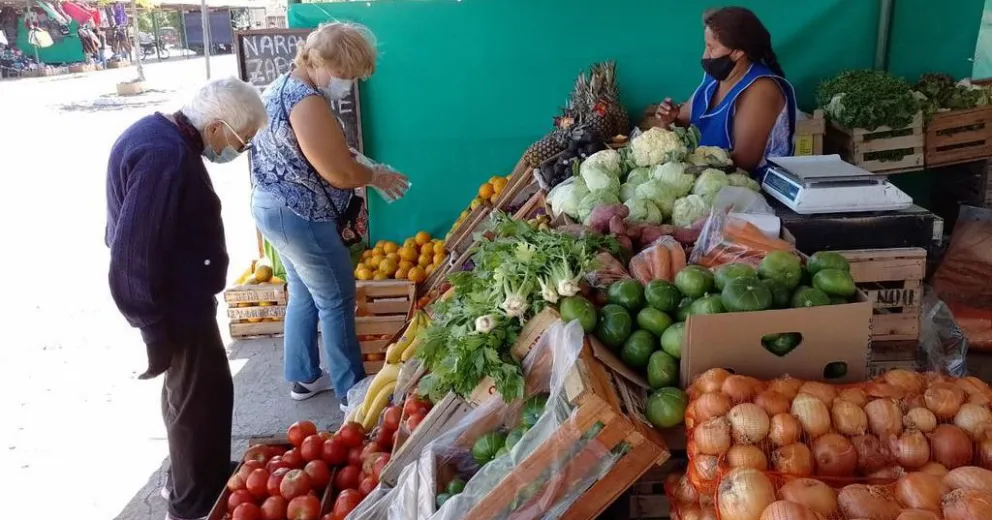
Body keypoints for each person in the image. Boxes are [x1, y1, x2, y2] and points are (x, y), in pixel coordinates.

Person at [105, 77, 267, 520]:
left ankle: (204, 477)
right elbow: (132, 252)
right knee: (195, 403)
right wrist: (151, 328)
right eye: (243, 138)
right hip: (176, 304)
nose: (241, 148)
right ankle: (192, 502)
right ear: (216, 127)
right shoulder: (166, 158)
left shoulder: (161, 136)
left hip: (186, 297)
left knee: (205, 394)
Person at [250, 22, 409, 404]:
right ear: (320, 61)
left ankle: (304, 377)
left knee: (304, 292)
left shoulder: (280, 86)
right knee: (337, 298)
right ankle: (351, 391)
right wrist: (374, 176)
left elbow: (310, 154)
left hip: (273, 207)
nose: (347, 83)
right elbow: (337, 174)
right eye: (345, 74)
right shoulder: (307, 101)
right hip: (300, 214)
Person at [651, 6, 797, 174]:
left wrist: (686, 169)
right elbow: (683, 122)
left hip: (750, 191)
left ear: (738, 53)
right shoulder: (713, 80)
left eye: (711, 47)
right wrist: (667, 120)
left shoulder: (762, 89)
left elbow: (744, 161)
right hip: (705, 182)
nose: (705, 56)